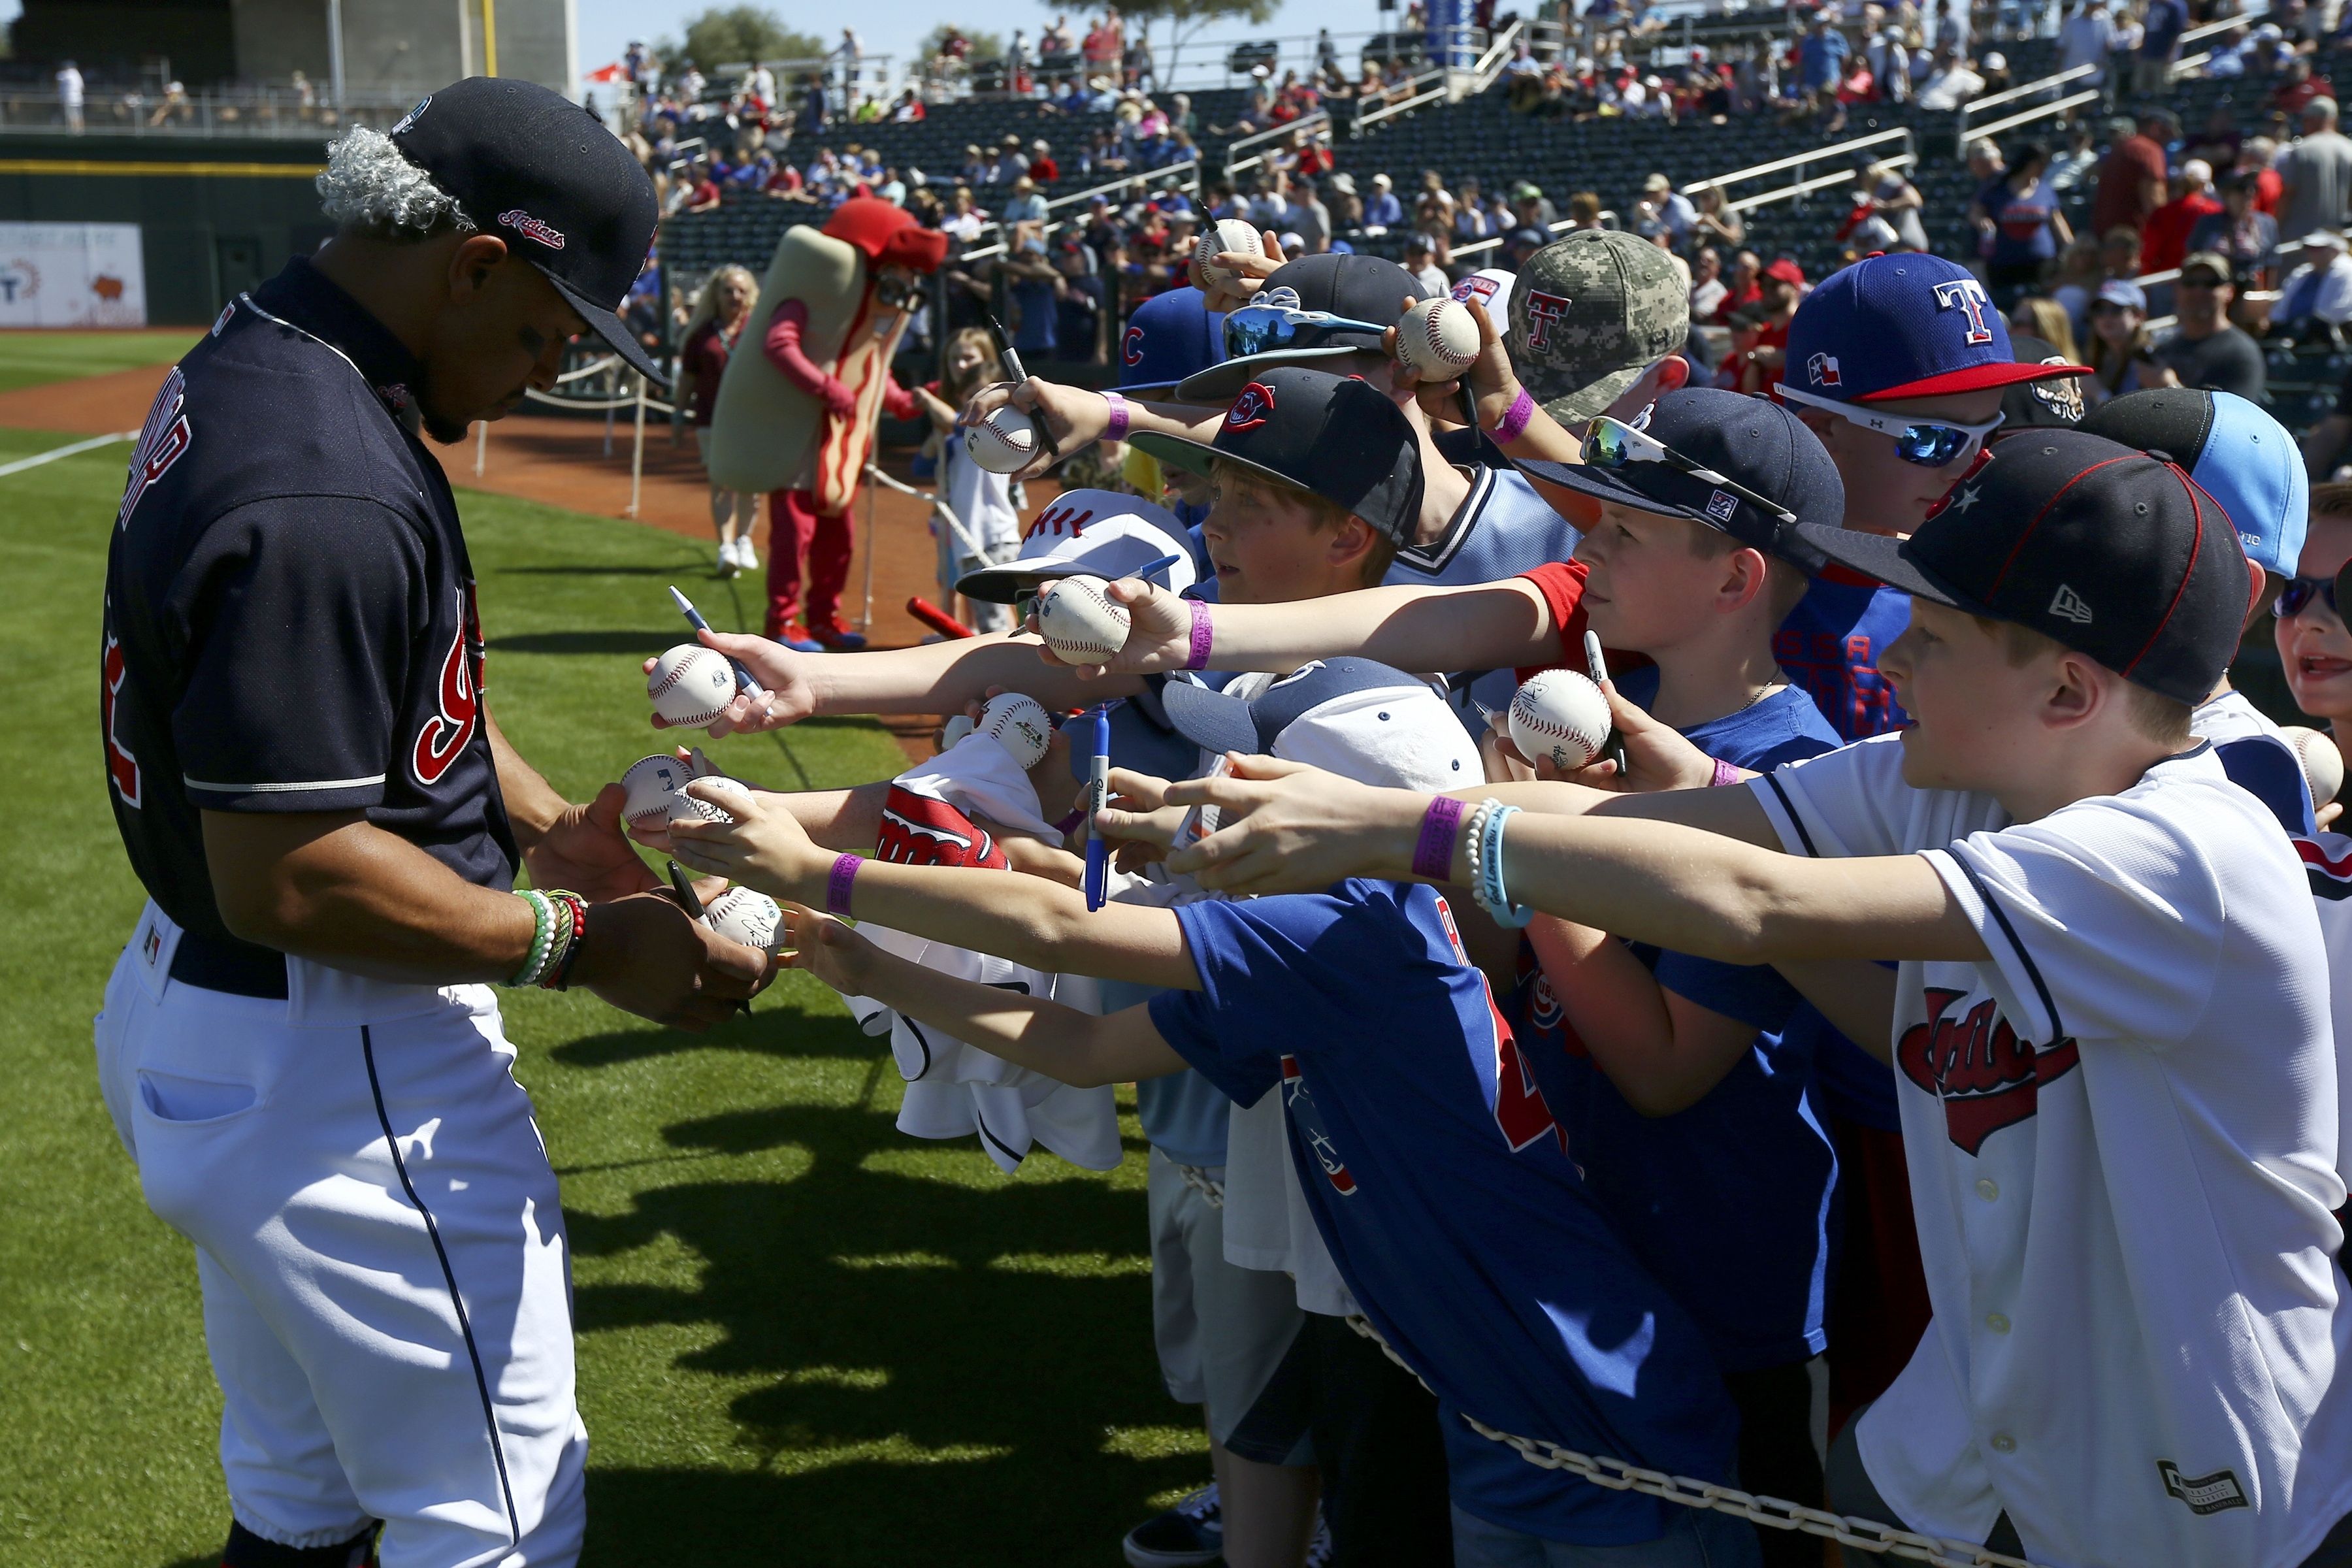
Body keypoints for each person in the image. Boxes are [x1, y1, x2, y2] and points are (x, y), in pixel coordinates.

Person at [1110, 430, 2352, 1568]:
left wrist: (1402, 832)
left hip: (2196, 1478)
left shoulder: (2183, 853)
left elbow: (1756, 903)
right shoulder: (1970, 778)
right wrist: (1377, 817)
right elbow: (1632, 819)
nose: (1891, 650)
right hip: (1981, 1441)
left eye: (1934, 631)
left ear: (2070, 694)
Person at [91, 80, 774, 1568]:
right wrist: (585, 940)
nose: (542, 373)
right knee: (497, 1525)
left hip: (212, 1024)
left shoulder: (272, 350)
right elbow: (294, 870)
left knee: (304, 1501)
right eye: (541, 330)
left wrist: (535, 822)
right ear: (471, 263)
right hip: (333, 1059)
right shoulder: (325, 469)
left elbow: (363, 714)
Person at [669, 671, 1765, 1567]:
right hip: (1503, 1407)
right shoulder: (1348, 937)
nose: (1219, 783)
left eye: (1256, 771)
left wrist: (824, 873)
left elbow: (1061, 930)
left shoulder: (1355, 934)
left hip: (1607, 1425)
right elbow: (1086, 1051)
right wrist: (864, 964)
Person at [1501, 389, 1850, 1568]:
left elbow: (1662, 1065)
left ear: (1735, 578)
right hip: (1595, 1246)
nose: (1583, 549)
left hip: (1716, 1285)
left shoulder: (1793, 777)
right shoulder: (1627, 718)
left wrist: (1524, 845)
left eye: (1623, 535)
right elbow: (1525, 981)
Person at [678, 264, 761, 576]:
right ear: (717, 294)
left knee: (751, 484)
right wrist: (678, 414)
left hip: (753, 420)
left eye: (741, 290)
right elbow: (688, 377)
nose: (735, 296)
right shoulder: (702, 335)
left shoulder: (758, 329)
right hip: (711, 418)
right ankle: (726, 546)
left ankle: (744, 539)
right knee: (721, 483)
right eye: (728, 290)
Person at [2151, 250, 2267, 401]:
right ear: (2177, 290)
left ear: (2229, 292)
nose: (2199, 291)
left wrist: (2169, 386)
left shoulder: (2240, 353)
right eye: (2190, 283)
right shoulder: (2164, 349)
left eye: (2211, 283)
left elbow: (2233, 419)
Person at [1971, 140, 2071, 306]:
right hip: (2004, 265)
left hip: (2041, 266)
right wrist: (1982, 222)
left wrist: (2069, 247)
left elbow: (2057, 222)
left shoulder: (2044, 189)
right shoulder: (1998, 187)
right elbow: (1976, 211)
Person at [2279, 98, 2352, 245]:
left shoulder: (2301, 150)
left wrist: (2277, 226)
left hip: (2301, 242)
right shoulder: (2349, 149)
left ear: (2311, 120)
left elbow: (2287, 195)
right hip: (2337, 241)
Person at [2092, 111, 2170, 240]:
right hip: (2133, 238)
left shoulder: (2119, 149)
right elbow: (2154, 202)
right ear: (2154, 128)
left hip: (2106, 236)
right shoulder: (2149, 150)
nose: (2169, 141)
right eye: (2167, 134)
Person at [2142, 159, 2221, 275]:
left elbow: (2148, 253)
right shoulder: (2214, 210)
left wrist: (2147, 274)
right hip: (2204, 278)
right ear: (2203, 186)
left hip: (2166, 277)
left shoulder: (2163, 212)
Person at [2085, 278, 2159, 398]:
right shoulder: (2099, 359)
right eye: (2099, 310)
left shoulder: (2150, 359)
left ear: (2139, 316)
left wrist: (2099, 394)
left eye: (2116, 309)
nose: (2106, 317)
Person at [2279, 229, 2352, 335]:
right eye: (2309, 248)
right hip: (2293, 329)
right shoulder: (2301, 273)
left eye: (2318, 249)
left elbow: (2341, 310)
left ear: (2335, 250)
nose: (2312, 253)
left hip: (2328, 334)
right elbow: (2281, 309)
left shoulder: (2347, 271)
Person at [56, 57, 83, 133]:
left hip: (70, 99)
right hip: (78, 99)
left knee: (71, 116)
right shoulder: (78, 74)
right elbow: (82, 88)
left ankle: (73, 132)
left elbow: (58, 77)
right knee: (78, 116)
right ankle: (79, 131)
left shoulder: (68, 73)